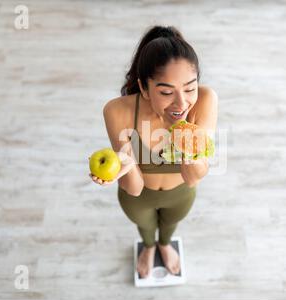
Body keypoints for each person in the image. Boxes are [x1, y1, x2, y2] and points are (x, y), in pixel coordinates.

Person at [89, 25, 218, 278]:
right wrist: (125, 166)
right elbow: (134, 188)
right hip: (138, 197)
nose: (181, 103)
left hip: (180, 194)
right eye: (167, 92)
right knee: (145, 226)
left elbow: (193, 177)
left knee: (169, 225)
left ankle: (164, 244)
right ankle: (149, 246)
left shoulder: (205, 100)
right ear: (144, 88)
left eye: (189, 88)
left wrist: (182, 132)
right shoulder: (117, 111)